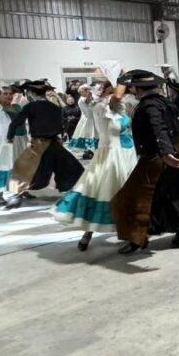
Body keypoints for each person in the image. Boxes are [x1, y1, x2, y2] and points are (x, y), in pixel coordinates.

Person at [109, 70, 179, 255]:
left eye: (133, 86)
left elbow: (159, 128)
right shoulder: (165, 102)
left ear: (138, 88)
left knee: (132, 198)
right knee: (173, 196)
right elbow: (178, 126)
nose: (131, 89)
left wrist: (165, 153)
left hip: (156, 159)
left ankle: (137, 238)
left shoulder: (150, 106)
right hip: (170, 156)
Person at [54, 82, 138, 251]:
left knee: (129, 196)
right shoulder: (100, 108)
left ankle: (132, 234)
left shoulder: (123, 108)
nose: (115, 95)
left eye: (115, 92)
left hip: (128, 156)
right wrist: (118, 80)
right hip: (110, 158)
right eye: (109, 92)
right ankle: (88, 233)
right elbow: (113, 100)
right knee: (101, 192)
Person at [3, 80, 85, 209]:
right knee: (69, 167)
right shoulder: (54, 107)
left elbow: (16, 122)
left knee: (24, 168)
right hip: (54, 143)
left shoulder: (30, 107)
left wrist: (9, 136)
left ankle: (17, 195)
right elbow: (61, 125)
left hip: (39, 144)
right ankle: (74, 192)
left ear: (31, 93)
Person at [67, 85, 98, 160]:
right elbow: (87, 105)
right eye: (85, 90)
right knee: (87, 134)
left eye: (86, 90)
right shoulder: (81, 99)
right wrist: (89, 95)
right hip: (87, 119)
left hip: (94, 118)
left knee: (94, 134)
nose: (86, 91)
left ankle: (92, 151)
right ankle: (88, 151)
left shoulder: (92, 97)